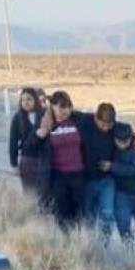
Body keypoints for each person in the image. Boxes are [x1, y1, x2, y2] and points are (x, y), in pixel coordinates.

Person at [76, 102, 130, 235]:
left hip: (107, 179)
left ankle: (104, 245)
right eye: (103, 124)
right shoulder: (84, 122)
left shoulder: (116, 127)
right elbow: (67, 112)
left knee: (107, 213)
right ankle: (90, 244)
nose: (106, 128)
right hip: (86, 179)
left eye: (109, 125)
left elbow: (128, 132)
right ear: (96, 118)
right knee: (88, 214)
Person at [35, 91, 85, 228]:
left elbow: (100, 121)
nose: (65, 112)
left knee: (78, 214)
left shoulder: (78, 119)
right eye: (61, 109)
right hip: (58, 176)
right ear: (53, 108)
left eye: (68, 108)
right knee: (61, 214)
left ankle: (78, 241)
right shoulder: (46, 123)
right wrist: (39, 135)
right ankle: (65, 243)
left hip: (78, 175)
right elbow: (30, 147)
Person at [101, 128, 135, 241]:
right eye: (119, 142)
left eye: (125, 142)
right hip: (122, 193)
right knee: (123, 225)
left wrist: (112, 167)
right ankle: (129, 252)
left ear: (130, 139)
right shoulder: (112, 145)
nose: (122, 145)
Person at [9, 88, 49, 196]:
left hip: (44, 160)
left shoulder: (45, 115)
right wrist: (14, 164)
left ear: (35, 100)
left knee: (44, 193)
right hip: (27, 160)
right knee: (29, 193)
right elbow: (13, 141)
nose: (26, 102)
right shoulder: (17, 118)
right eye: (23, 100)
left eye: (29, 99)